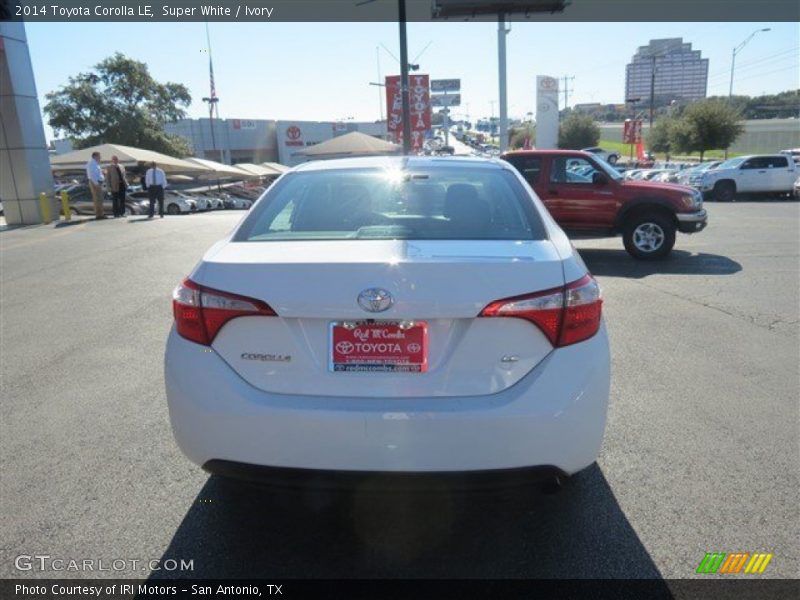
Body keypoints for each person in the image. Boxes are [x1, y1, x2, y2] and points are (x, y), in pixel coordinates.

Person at [85, 151, 106, 220]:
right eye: (99, 156)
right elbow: (92, 175)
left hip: (97, 182)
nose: (100, 158)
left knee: (99, 199)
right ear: (95, 156)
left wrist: (102, 172)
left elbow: (96, 173)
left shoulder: (95, 163)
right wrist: (96, 183)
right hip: (95, 183)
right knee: (97, 199)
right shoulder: (91, 163)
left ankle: (100, 214)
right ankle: (99, 215)